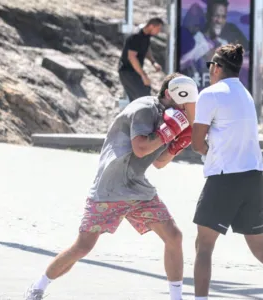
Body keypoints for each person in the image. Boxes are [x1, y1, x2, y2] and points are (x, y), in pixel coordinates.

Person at [24, 73, 199, 300]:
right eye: (184, 99)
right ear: (169, 93)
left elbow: (159, 162)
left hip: (137, 186)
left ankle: (177, 298)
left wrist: (177, 146)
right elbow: (141, 149)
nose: (187, 106)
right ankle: (37, 288)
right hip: (111, 186)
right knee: (83, 247)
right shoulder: (146, 108)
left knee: (174, 236)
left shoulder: (171, 118)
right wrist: (170, 132)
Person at [191, 43, 263, 300]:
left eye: (211, 67)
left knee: (204, 246)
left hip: (224, 178)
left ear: (217, 67)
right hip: (253, 178)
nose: (210, 71)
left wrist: (210, 153)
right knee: (261, 248)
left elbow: (197, 143)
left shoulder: (210, 94)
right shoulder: (246, 94)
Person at [118, 17, 164, 101]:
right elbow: (132, 57)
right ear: (151, 26)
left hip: (134, 72)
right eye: (158, 28)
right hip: (128, 72)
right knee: (144, 97)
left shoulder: (146, 36)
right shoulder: (137, 36)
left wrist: (153, 62)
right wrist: (143, 75)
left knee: (139, 98)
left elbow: (146, 48)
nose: (159, 32)